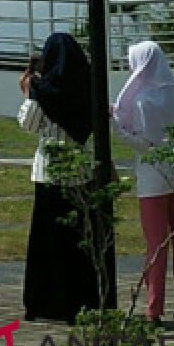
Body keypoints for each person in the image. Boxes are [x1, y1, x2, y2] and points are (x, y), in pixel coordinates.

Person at [111, 40, 174, 328]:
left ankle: (153, 309)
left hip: (152, 180)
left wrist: (117, 129)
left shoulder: (142, 99)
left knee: (156, 247)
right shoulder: (171, 92)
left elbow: (146, 145)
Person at [17, 32, 103, 324]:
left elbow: (28, 124)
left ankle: (44, 302)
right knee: (76, 243)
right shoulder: (87, 88)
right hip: (79, 172)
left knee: (46, 244)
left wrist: (29, 91)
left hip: (49, 173)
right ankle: (78, 302)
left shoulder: (45, 91)